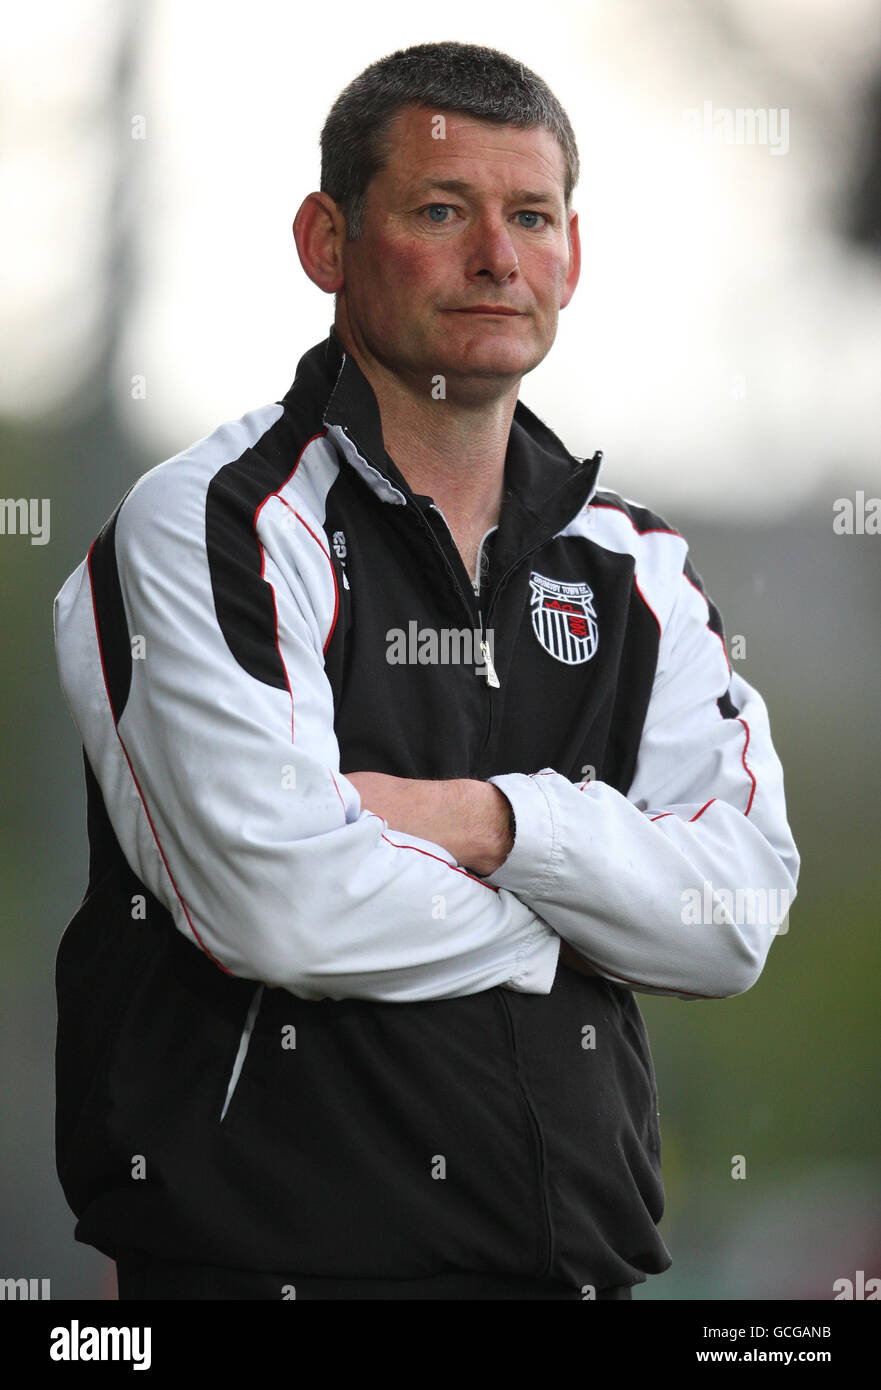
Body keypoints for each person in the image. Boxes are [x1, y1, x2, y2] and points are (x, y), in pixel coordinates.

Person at [52, 41, 799, 1301]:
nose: (497, 259)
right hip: (252, 1273)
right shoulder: (208, 524)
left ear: (572, 253)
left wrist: (492, 823)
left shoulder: (640, 570)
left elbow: (729, 920)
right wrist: (590, 914)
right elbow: (276, 904)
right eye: (442, 211)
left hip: (577, 1276)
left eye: (531, 217)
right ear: (326, 243)